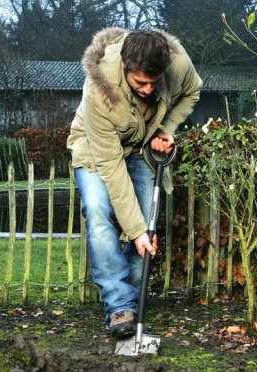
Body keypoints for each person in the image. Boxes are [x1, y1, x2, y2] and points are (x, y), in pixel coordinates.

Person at [67, 27, 202, 338]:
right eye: (140, 81)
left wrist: (165, 128)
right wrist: (135, 230)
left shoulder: (177, 64)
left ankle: (132, 297)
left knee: (147, 225)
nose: (148, 88)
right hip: (96, 148)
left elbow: (193, 88)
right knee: (98, 209)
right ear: (126, 67)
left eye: (154, 82)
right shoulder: (99, 90)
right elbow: (111, 167)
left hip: (142, 145)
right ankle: (119, 306)